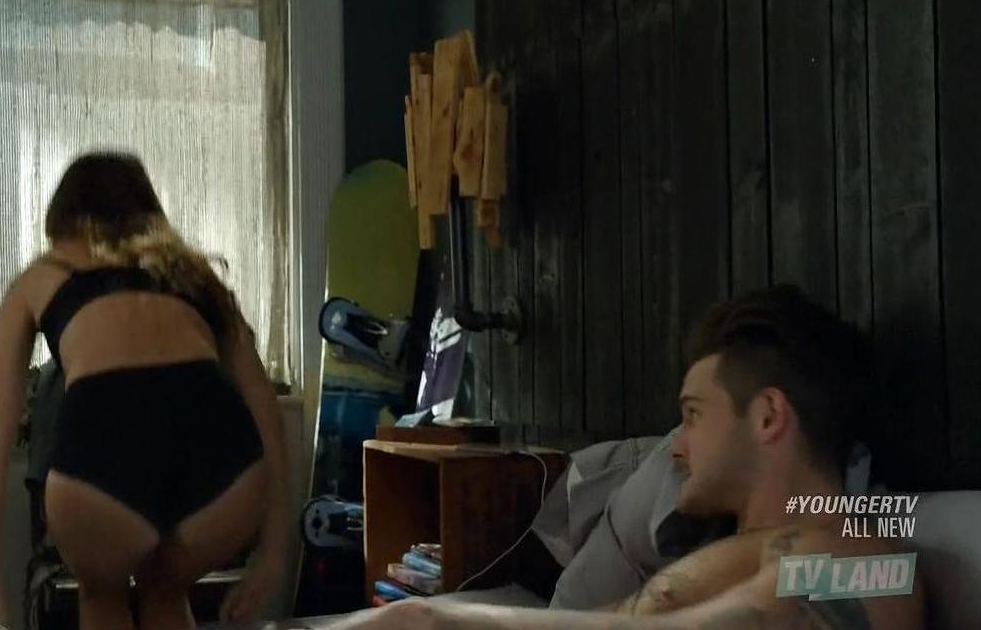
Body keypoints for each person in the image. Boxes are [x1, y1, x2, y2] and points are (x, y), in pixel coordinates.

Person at [325, 285, 926, 630]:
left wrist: (445, 622)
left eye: (693, 414)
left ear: (768, 416)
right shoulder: (735, 551)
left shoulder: (865, 563)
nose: (678, 446)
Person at [0, 151, 289, 630]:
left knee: (102, 595)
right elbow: (263, 407)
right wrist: (275, 549)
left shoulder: (42, 275)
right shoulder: (192, 276)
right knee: (165, 589)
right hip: (223, 464)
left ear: (62, 218)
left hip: (104, 456)